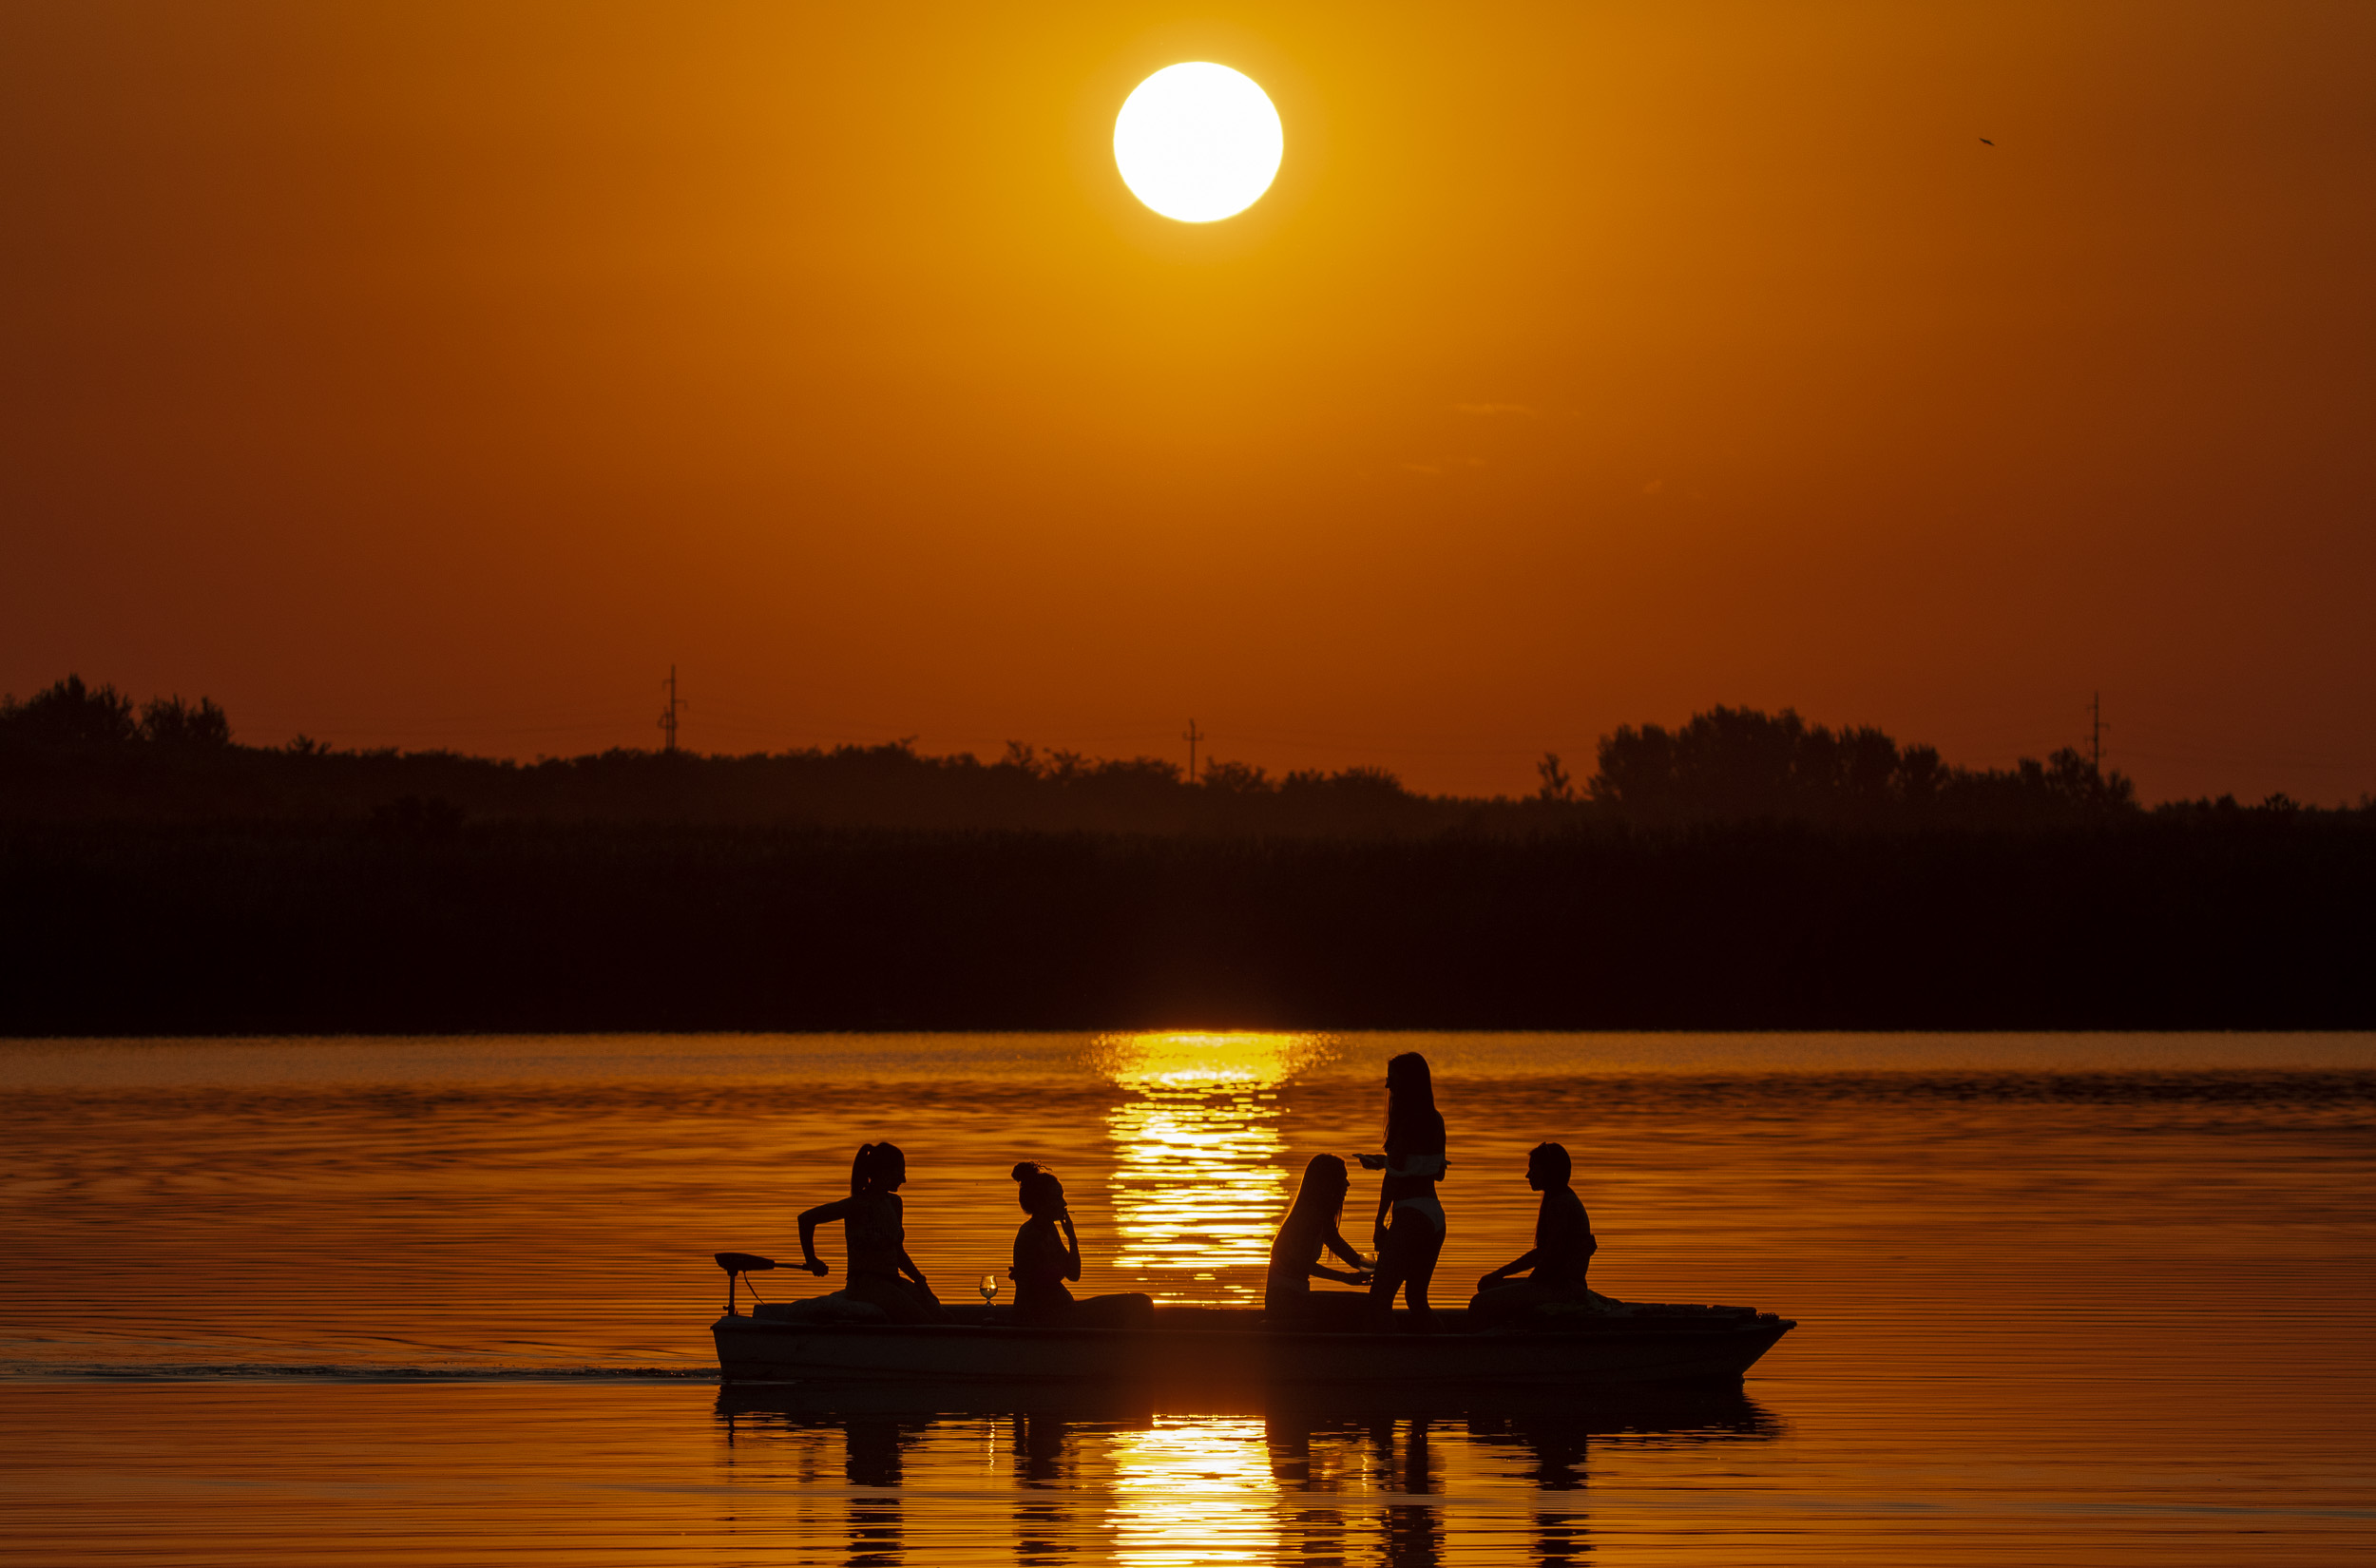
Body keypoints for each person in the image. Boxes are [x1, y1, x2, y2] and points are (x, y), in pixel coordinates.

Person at [1467, 1141, 1618, 1327]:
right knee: (1486, 1286)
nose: (1528, 1175)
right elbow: (1542, 1252)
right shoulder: (1559, 1200)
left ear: (1548, 1171)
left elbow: (1551, 1258)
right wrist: (1498, 1275)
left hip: (1564, 1289)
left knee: (1479, 1303)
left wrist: (1528, 1288)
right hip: (1555, 1285)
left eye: (1533, 1169)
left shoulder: (1561, 1204)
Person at [795, 1141, 948, 1323]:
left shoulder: (894, 1203)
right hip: (864, 1285)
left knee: (940, 1314)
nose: (904, 1179)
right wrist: (812, 1260)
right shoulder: (857, 1204)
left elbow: (897, 1252)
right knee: (922, 1320)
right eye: (900, 1172)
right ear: (883, 1172)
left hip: (892, 1281)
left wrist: (920, 1280)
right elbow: (806, 1219)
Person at [1359, 1051, 1448, 1327]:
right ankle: (1448, 1353)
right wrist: (1390, 1163)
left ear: (1407, 1083)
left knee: (1379, 1300)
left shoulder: (1406, 1122)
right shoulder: (1436, 1120)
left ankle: (1385, 1361)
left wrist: (1378, 1221)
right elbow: (1439, 1173)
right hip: (1435, 1215)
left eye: (1392, 1080)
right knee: (1416, 1299)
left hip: (1411, 1215)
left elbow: (1395, 1175)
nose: (1387, 1086)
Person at [1006, 1162, 1153, 1329]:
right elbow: (1030, 1287)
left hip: (1067, 1311)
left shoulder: (1050, 1230)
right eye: (1057, 1197)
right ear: (1042, 1202)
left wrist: (1072, 1238)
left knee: (1141, 1301)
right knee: (1140, 1304)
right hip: (1055, 1320)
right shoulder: (1030, 1234)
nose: (1064, 1203)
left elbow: (1073, 1274)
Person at [1265, 1154, 1374, 1329]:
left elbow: (1352, 1258)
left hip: (1296, 1299)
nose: (1347, 1184)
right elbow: (1305, 1266)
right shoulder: (1309, 1219)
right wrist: (1347, 1278)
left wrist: (1379, 1267)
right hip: (1286, 1304)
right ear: (1328, 1184)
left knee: (1368, 1303)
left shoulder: (1322, 1220)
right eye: (1343, 1179)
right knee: (1366, 1307)